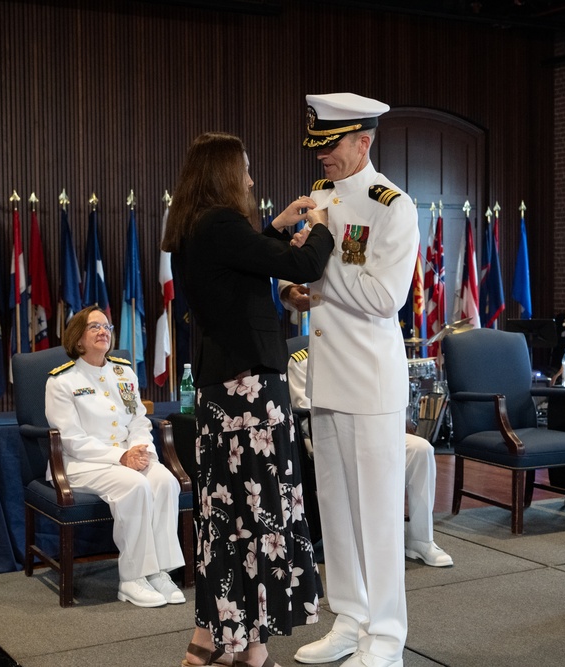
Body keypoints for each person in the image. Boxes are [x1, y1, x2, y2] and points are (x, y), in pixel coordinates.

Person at [163, 132, 333, 667]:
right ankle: (244, 648)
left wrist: (275, 228)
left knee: (231, 519)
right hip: (252, 394)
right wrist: (324, 225)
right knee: (258, 518)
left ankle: (229, 644)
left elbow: (241, 272)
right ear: (225, 175)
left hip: (223, 392)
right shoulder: (220, 224)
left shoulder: (195, 227)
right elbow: (302, 267)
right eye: (247, 170)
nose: (253, 180)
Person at [290, 92, 419, 667]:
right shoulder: (319, 195)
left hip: (370, 383)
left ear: (363, 141)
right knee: (336, 509)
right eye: (317, 146)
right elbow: (324, 289)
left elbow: (384, 296)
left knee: (379, 516)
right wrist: (299, 291)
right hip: (326, 377)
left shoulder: (392, 205)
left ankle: (387, 637)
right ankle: (350, 617)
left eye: (332, 145)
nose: (322, 158)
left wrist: (320, 265)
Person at [45, 306, 185, 608]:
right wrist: (122, 456)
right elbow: (70, 440)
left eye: (106, 326)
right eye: (94, 327)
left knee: (165, 482)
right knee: (134, 486)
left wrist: (141, 450)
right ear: (78, 339)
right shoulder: (62, 381)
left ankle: (159, 571)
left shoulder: (124, 372)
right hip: (81, 464)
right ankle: (132, 578)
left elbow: (138, 420)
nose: (103, 331)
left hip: (129, 457)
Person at [285, 344, 453, 568]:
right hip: (333, 441)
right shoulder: (303, 360)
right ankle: (359, 543)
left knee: (420, 449)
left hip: (377, 433)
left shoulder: (369, 348)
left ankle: (420, 540)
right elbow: (307, 417)